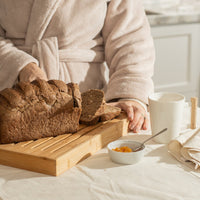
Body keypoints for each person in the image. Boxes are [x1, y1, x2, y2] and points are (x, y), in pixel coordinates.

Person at [0, 0, 155, 133]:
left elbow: (130, 40)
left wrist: (128, 95)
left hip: (87, 105)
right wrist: (22, 65)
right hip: (12, 102)